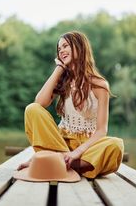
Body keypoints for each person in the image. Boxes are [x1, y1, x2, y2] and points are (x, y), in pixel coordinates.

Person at [17, 31, 124, 178]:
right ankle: (62, 161)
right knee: (32, 109)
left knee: (116, 145)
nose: (61, 51)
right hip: (61, 141)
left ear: (79, 48)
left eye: (65, 46)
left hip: (87, 146)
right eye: (59, 49)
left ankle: (55, 162)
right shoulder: (63, 80)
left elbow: (101, 130)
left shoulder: (100, 85)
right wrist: (59, 69)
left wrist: (77, 152)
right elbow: (39, 103)